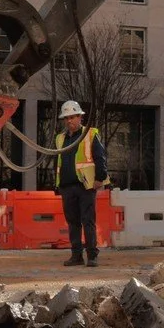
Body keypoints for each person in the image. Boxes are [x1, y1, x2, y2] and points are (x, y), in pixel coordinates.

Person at [54, 100, 109, 267]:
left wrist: (100, 178)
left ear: (80, 117)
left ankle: (92, 255)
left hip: (86, 186)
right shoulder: (60, 138)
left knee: (88, 221)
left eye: (72, 117)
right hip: (67, 186)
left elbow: (100, 157)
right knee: (73, 223)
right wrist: (58, 185)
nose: (69, 121)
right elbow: (58, 162)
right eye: (66, 118)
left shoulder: (90, 134)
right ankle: (76, 256)